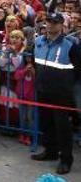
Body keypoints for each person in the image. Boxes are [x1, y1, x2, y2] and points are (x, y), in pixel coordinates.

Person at [30, 12, 81, 175]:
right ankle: (50, 152)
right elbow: (34, 62)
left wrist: (66, 84)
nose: (51, 25)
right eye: (48, 21)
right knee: (46, 124)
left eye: (55, 22)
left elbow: (78, 68)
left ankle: (66, 159)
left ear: (61, 25)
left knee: (63, 128)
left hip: (61, 94)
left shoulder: (70, 45)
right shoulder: (38, 42)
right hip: (43, 91)